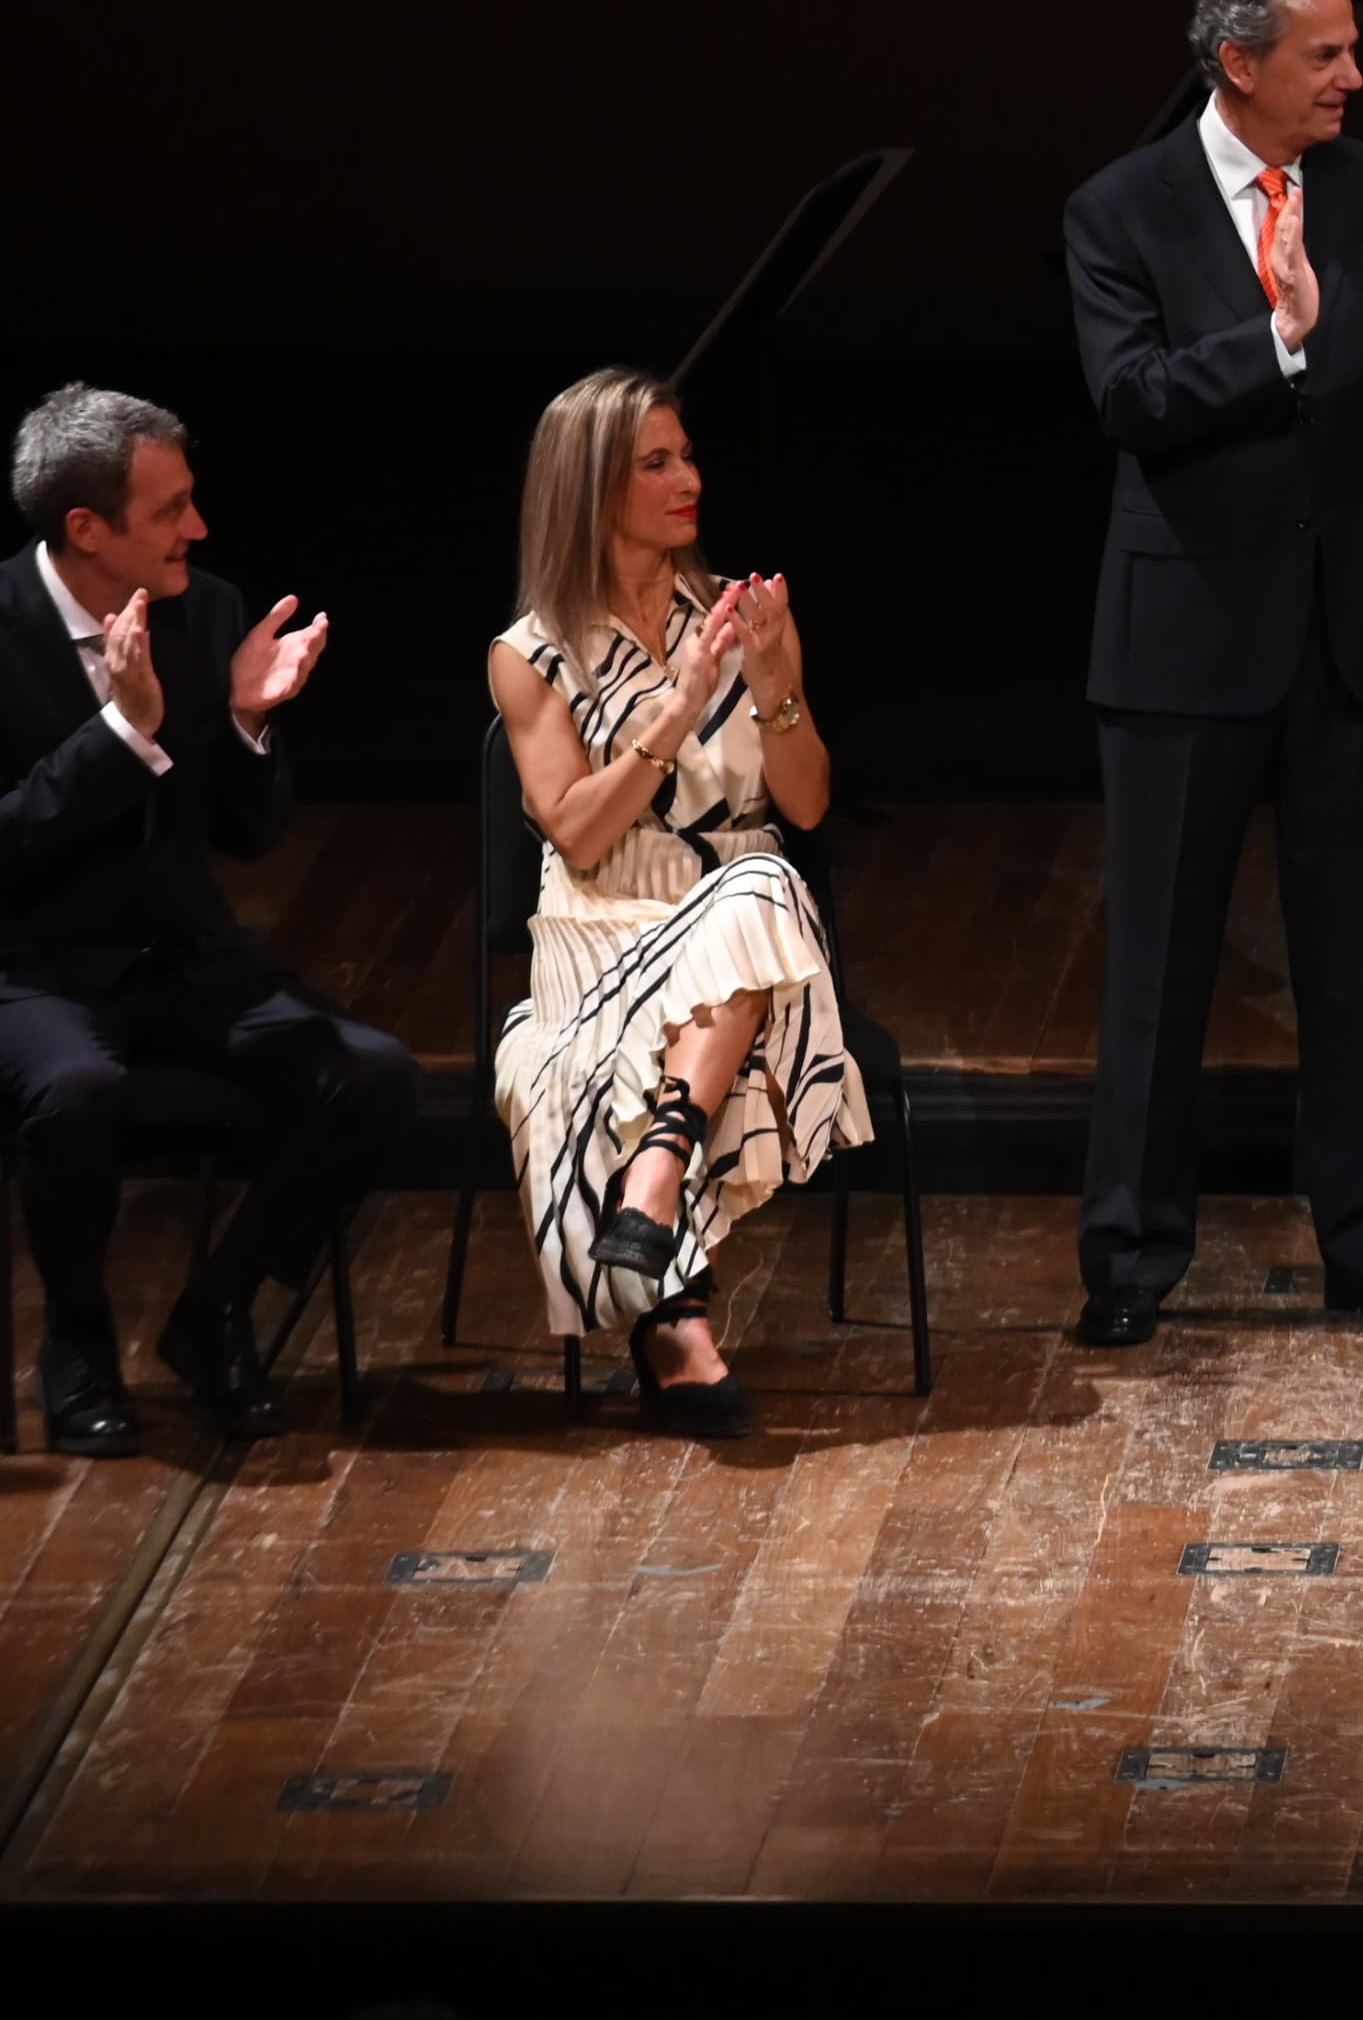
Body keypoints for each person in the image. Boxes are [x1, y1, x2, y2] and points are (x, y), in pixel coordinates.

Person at [1064, 0, 1363, 1345]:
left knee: (1357, 965)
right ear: (1239, 62)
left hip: (1346, 641)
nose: (1355, 75)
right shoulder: (1121, 210)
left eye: (1354, 48)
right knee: (1161, 972)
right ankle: (1127, 1264)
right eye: (1326, 54)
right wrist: (1289, 339)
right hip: (1185, 647)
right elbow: (1131, 397)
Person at [2, 384, 407, 1454]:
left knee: (368, 1073)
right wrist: (120, 737)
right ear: (87, 529)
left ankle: (216, 1309)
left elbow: (246, 835)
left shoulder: (209, 610)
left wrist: (243, 720)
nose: (199, 527)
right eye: (172, 508)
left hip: (182, 955)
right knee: (77, 1090)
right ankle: (78, 1341)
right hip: (32, 966)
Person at [484, 370, 866, 1435]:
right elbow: (579, 830)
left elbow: (807, 801)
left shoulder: (735, 613)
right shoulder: (530, 654)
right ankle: (671, 1294)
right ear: (588, 484)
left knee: (761, 880)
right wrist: (686, 702)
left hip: (743, 925)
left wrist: (778, 682)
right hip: (603, 931)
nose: (688, 478)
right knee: (761, 896)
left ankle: (657, 1196)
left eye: (687, 455)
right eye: (655, 462)